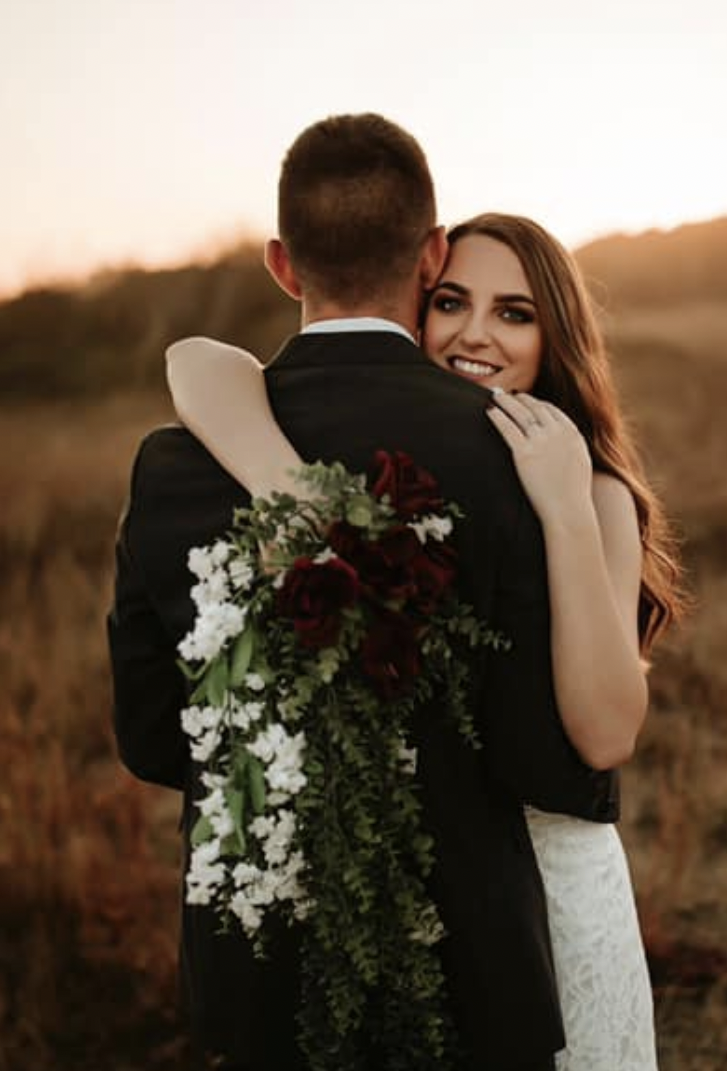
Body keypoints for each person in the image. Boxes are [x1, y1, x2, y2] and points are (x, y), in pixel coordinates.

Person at [166, 213, 686, 1070]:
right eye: (452, 302)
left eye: (515, 314)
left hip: (552, 891)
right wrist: (281, 481)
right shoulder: (402, 465)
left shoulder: (589, 488)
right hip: (428, 887)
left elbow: (605, 734)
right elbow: (197, 360)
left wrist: (562, 508)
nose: (476, 335)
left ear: (556, 337)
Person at [108, 114, 571, 1071]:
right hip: (471, 974)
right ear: (433, 253)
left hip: (261, 968)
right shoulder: (515, 446)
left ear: (283, 264)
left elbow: (153, 736)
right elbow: (535, 747)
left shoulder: (175, 464)